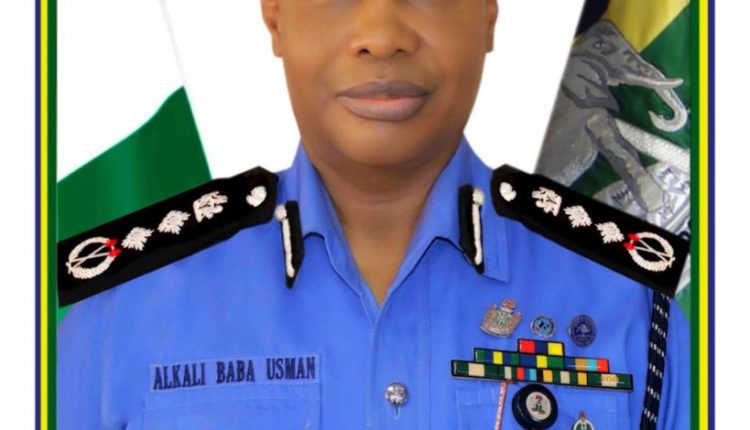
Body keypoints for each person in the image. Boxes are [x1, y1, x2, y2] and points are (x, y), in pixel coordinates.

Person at [57, 0, 690, 428]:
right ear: (274, 13)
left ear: (489, 13)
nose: (382, 35)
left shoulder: (634, 302)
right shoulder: (120, 309)